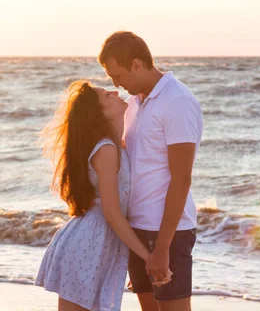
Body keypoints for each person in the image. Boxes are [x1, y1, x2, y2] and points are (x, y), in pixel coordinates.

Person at [35, 80, 171, 311]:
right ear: (100, 113)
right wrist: (148, 259)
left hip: (99, 241)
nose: (115, 91)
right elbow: (112, 212)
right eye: (107, 95)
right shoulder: (107, 149)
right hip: (89, 242)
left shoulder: (118, 146)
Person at [98, 31, 203, 311]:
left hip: (168, 232)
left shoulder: (177, 100)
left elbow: (181, 178)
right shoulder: (134, 104)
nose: (116, 84)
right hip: (138, 230)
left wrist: (162, 249)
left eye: (117, 75)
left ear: (136, 64)